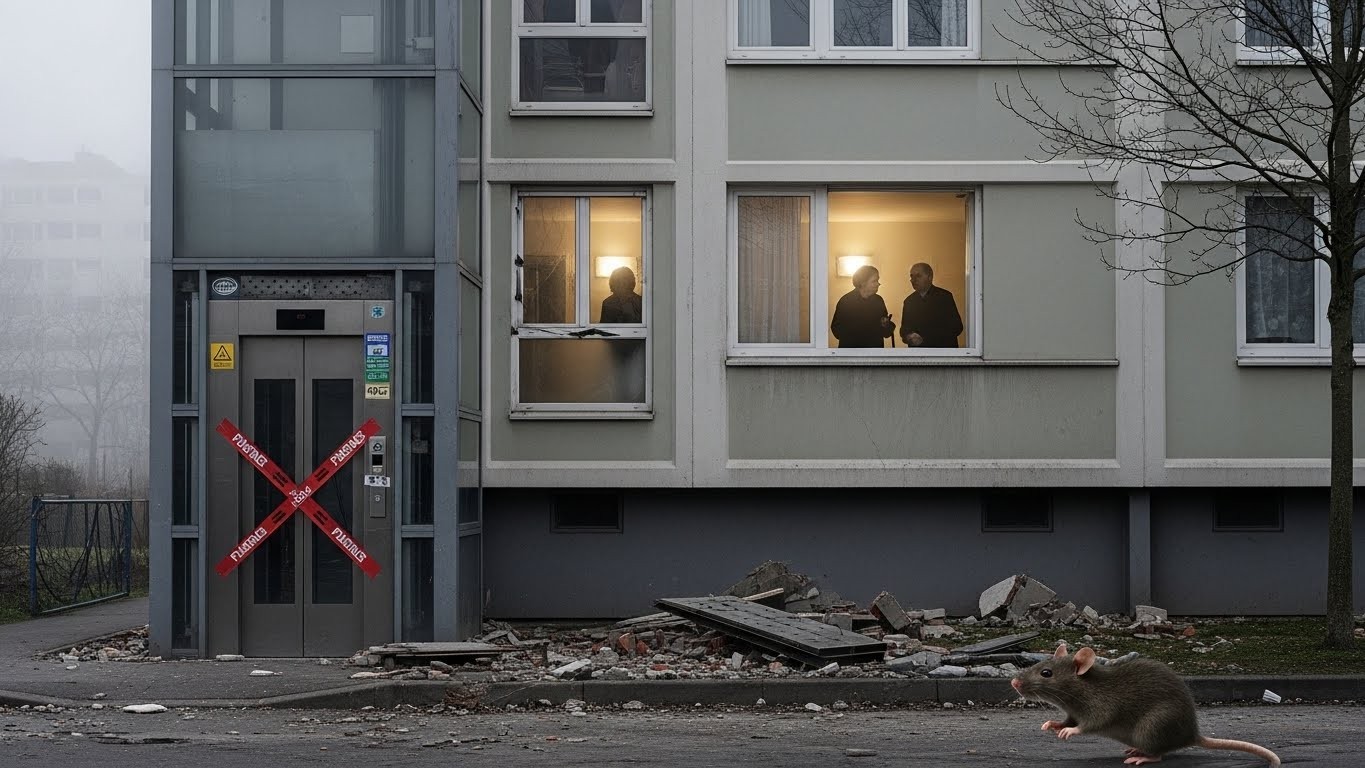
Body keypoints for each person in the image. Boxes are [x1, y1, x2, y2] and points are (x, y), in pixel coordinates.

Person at [900, 262, 963, 348]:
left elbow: (957, 327)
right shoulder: (908, 301)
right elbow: (904, 330)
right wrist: (908, 336)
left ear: (930, 277)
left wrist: (925, 338)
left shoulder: (944, 297)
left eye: (918, 276)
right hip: (919, 353)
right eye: (911, 276)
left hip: (942, 352)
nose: (913, 280)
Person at [830, 265, 895, 348]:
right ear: (863, 283)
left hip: (874, 352)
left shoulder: (878, 301)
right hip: (852, 352)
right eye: (874, 281)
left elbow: (886, 333)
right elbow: (836, 329)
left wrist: (886, 325)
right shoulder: (846, 301)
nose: (878, 284)